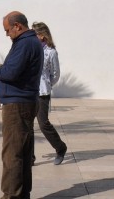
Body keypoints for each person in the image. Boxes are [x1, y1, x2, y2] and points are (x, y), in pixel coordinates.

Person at [0, 11, 44, 199]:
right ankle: (22, 193)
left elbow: (11, 73)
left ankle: (11, 195)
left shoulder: (25, 43)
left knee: (12, 152)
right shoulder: (31, 42)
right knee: (23, 152)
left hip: (17, 104)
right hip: (25, 101)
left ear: (17, 26)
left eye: (8, 30)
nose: (7, 34)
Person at [32, 21, 69, 165]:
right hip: (29, 91)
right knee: (27, 125)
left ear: (42, 36)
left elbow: (55, 73)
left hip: (42, 92)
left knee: (43, 124)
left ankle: (60, 148)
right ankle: (30, 157)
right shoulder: (31, 49)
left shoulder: (51, 52)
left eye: (34, 34)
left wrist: (47, 84)